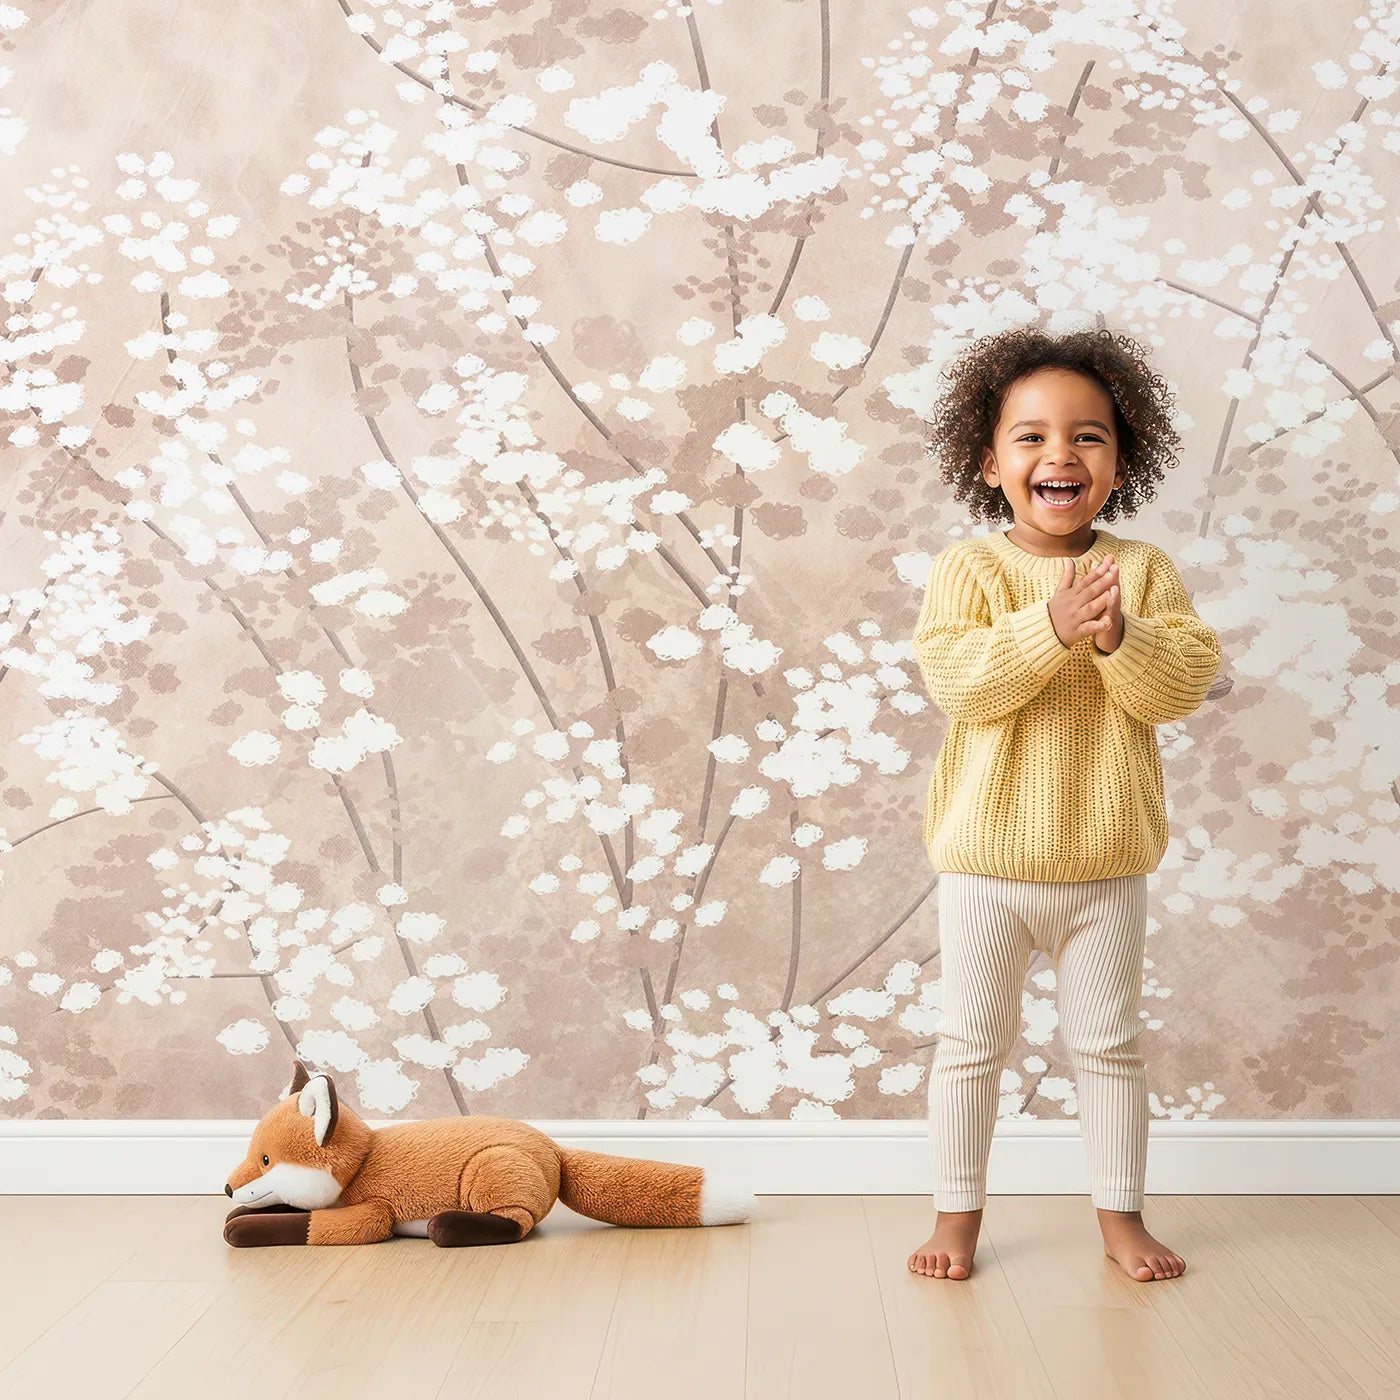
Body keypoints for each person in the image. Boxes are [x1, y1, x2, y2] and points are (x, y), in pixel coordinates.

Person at [906, 325, 1222, 1283]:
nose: (1061, 455)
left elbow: (1179, 685)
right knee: (970, 1048)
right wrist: (1048, 627)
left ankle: (1120, 1218)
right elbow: (961, 684)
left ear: (1122, 460)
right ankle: (956, 1218)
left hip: (1105, 861)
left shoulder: (1144, 571)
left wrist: (1121, 635)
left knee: (1110, 1051)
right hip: (984, 864)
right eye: (1033, 437)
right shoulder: (971, 569)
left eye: (1089, 436)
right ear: (991, 462)